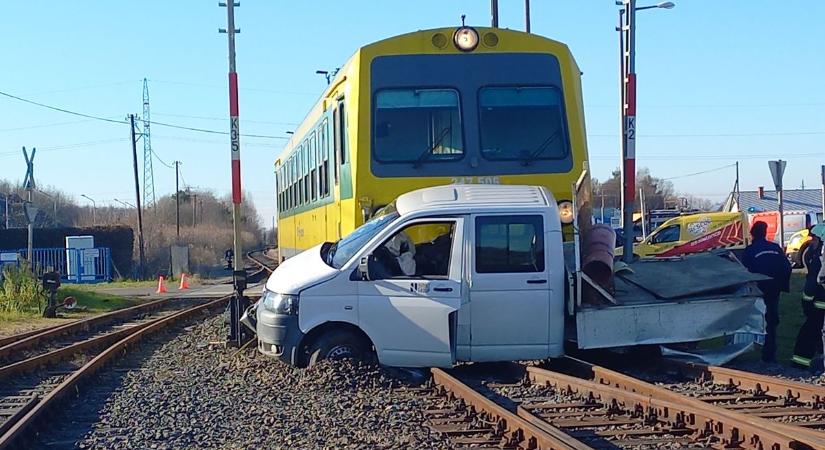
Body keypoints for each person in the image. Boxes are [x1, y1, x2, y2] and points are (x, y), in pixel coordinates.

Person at [742, 221, 792, 362]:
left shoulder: (750, 251)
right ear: (765, 233)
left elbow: (745, 271)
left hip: (757, 291)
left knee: (751, 320)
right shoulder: (775, 248)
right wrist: (782, 285)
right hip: (773, 290)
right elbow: (787, 268)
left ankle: (745, 349)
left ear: (752, 234)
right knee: (771, 321)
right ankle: (769, 354)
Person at [792, 229, 825, 368]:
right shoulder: (816, 254)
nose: (811, 241)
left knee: (810, 331)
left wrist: (807, 300)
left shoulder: (818, 258)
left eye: (814, 238)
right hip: (818, 301)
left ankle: (802, 363)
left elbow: (815, 280)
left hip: (818, 303)